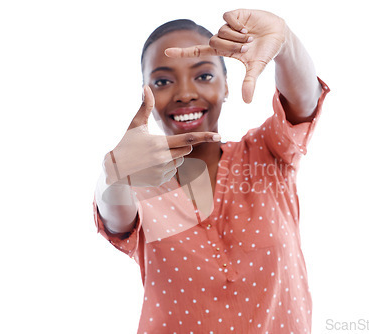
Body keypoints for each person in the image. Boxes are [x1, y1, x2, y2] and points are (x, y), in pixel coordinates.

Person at [92, 8, 329, 333]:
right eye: (162, 81)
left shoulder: (266, 154)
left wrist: (285, 42)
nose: (185, 92)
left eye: (203, 75)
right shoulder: (139, 188)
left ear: (226, 86)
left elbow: (303, 103)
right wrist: (112, 173)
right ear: (145, 91)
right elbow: (114, 216)